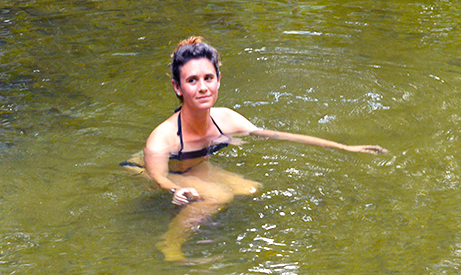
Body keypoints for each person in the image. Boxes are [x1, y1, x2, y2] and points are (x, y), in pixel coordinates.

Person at [144, 35, 386, 261]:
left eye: (208, 78)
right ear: (178, 87)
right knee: (221, 195)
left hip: (195, 167)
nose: (203, 88)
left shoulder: (226, 119)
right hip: (154, 171)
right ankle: (170, 243)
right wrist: (174, 189)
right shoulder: (163, 137)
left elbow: (279, 136)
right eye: (192, 81)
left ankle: (197, 214)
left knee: (250, 189)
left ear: (219, 79)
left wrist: (345, 148)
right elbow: (157, 175)